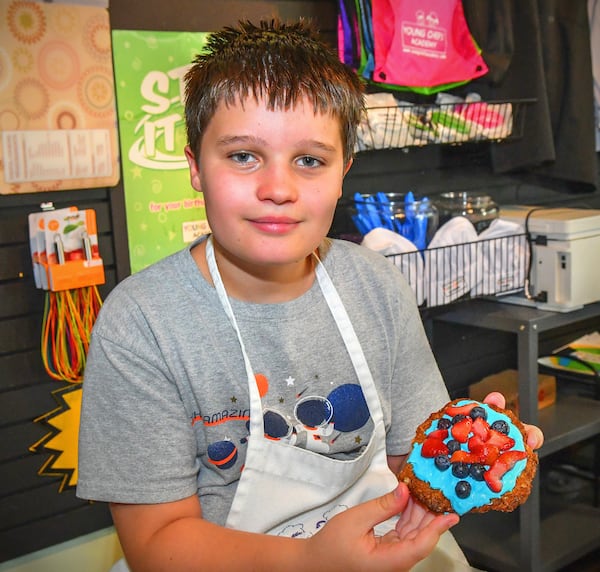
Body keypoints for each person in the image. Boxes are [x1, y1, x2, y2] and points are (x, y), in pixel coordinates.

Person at [77, 19, 544, 571]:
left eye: (309, 160)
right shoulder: (143, 324)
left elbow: (408, 466)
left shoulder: (376, 285)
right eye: (244, 155)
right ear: (196, 168)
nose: (278, 188)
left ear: (344, 170)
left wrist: (465, 452)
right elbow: (155, 543)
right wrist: (312, 563)